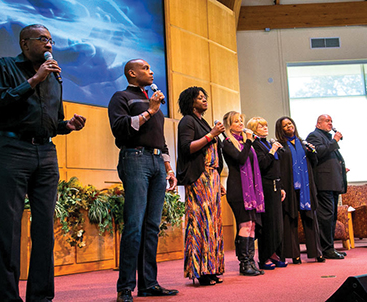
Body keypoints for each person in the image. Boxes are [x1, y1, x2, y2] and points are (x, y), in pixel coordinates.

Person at [0, 24, 86, 301]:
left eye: (51, 40)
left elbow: (53, 122)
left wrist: (68, 125)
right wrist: (34, 80)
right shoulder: (5, 66)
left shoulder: (54, 76)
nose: (49, 45)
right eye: (43, 39)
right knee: (9, 227)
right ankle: (8, 298)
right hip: (11, 149)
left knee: (44, 228)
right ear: (24, 43)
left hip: (45, 153)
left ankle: (40, 296)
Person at [108, 59, 178, 302]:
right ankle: (125, 287)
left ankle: (149, 283)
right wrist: (150, 111)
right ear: (132, 72)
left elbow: (161, 137)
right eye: (146, 68)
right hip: (134, 158)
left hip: (158, 163)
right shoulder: (122, 97)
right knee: (135, 224)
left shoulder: (153, 102)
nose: (151, 71)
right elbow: (119, 128)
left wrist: (169, 167)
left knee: (152, 226)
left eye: (151, 68)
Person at [176, 87, 225, 286]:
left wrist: (219, 179)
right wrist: (211, 134)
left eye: (205, 97)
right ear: (190, 101)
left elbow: (214, 153)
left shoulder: (203, 122)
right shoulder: (188, 120)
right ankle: (199, 270)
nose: (204, 100)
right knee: (200, 222)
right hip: (199, 177)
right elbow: (187, 147)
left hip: (212, 176)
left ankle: (211, 268)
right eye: (199, 97)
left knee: (213, 224)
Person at [275, 116, 325, 264]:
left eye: (290, 123)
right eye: (285, 125)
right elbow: (279, 167)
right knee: (290, 219)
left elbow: (313, 163)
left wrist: (312, 153)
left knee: (310, 218)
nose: (289, 126)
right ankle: (294, 254)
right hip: (289, 187)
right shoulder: (281, 146)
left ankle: (317, 252)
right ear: (280, 129)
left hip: (306, 187)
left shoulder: (303, 144)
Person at [222, 111, 265, 276]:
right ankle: (244, 263)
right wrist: (248, 142)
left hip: (251, 191)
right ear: (229, 126)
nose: (241, 123)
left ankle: (251, 261)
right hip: (238, 190)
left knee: (252, 225)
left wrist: (248, 142)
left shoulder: (246, 142)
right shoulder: (227, 142)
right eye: (236, 122)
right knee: (245, 225)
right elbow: (240, 159)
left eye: (241, 120)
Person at [247, 117, 287, 270]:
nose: (265, 128)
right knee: (268, 223)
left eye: (266, 125)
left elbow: (276, 167)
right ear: (253, 128)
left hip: (276, 186)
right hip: (265, 187)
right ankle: (265, 257)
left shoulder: (268, 142)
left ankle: (274, 253)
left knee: (277, 224)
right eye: (261, 126)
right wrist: (272, 151)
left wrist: (282, 186)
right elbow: (262, 164)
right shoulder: (255, 145)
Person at [306, 114, 348, 259]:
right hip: (324, 184)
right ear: (318, 124)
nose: (330, 123)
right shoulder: (314, 136)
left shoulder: (327, 138)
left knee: (332, 217)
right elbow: (318, 152)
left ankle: (330, 247)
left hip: (333, 183)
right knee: (326, 217)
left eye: (331, 121)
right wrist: (335, 141)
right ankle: (326, 249)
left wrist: (341, 168)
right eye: (327, 121)